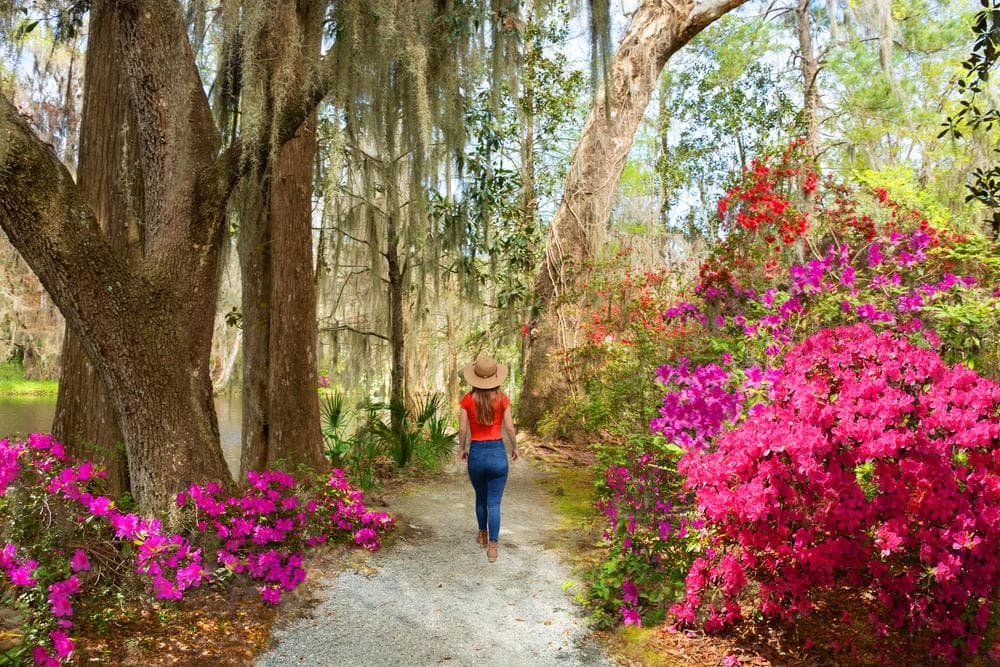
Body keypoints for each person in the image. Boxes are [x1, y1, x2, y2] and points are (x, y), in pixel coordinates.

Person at [458, 355, 519, 562]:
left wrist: (462, 449)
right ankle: (493, 547)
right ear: (495, 376)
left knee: (480, 498)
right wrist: (515, 448)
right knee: (494, 503)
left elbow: (463, 428)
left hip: (476, 453)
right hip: (496, 452)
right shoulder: (502, 399)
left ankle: (482, 534)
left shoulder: (467, 399)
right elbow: (509, 427)